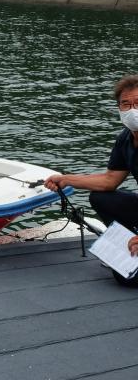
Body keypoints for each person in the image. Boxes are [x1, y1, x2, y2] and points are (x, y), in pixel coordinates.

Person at [45, 74, 138, 259]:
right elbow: (110, 180)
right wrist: (66, 179)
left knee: (129, 282)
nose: (132, 110)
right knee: (100, 197)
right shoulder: (126, 138)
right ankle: (126, 250)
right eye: (125, 104)